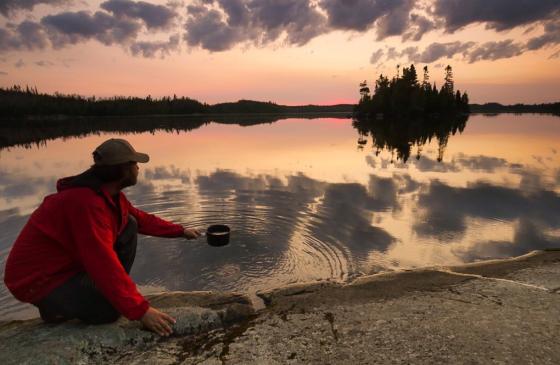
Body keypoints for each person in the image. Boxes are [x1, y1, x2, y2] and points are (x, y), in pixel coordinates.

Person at [4, 138, 201, 336]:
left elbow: (140, 219)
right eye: (134, 163)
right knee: (109, 312)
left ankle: (107, 293)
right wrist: (141, 311)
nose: (138, 167)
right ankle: (55, 307)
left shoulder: (109, 194)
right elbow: (101, 261)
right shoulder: (86, 204)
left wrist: (180, 231)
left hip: (66, 268)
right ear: (123, 169)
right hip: (39, 281)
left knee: (130, 224)